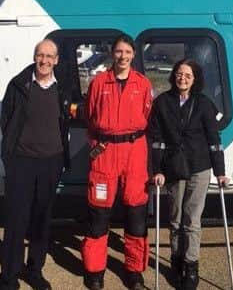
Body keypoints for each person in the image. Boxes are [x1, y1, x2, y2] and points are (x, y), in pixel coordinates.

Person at [149, 59, 229, 290]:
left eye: (188, 75)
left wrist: (220, 172)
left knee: (192, 220)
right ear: (173, 76)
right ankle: (176, 263)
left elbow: (214, 141)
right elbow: (157, 140)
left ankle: (191, 267)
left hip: (200, 167)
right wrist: (157, 170)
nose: (182, 78)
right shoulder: (162, 103)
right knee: (175, 220)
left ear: (195, 79)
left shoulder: (204, 104)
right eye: (179, 74)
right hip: (173, 168)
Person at [0, 39, 71, 290]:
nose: (44, 60)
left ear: (57, 60)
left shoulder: (62, 87)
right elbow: (6, 121)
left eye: (49, 56)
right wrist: (11, 156)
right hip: (22, 162)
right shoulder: (18, 85)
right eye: (40, 55)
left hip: (51, 163)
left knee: (42, 220)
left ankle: (34, 271)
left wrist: (62, 158)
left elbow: (63, 122)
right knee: (16, 220)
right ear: (34, 57)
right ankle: (9, 276)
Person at [81, 34, 153, 290]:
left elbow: (146, 114)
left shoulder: (143, 84)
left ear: (133, 55)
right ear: (113, 54)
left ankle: (134, 271)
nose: (123, 56)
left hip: (135, 153)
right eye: (118, 51)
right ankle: (94, 272)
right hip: (105, 153)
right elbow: (90, 117)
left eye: (127, 52)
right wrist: (97, 143)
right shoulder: (99, 82)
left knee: (136, 215)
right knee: (99, 215)